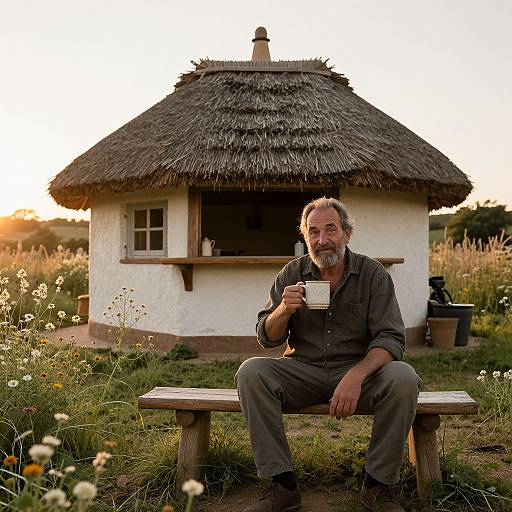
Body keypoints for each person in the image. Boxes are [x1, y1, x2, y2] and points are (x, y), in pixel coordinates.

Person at [235, 197, 421, 512]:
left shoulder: (373, 274)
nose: (322, 240)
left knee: (403, 377)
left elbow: (391, 337)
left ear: (347, 234)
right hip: (302, 372)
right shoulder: (293, 272)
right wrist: (283, 308)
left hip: (359, 375)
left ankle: (377, 487)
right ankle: (282, 486)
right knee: (252, 372)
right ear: (305, 237)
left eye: (330, 230)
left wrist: (357, 375)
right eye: (314, 232)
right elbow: (266, 336)